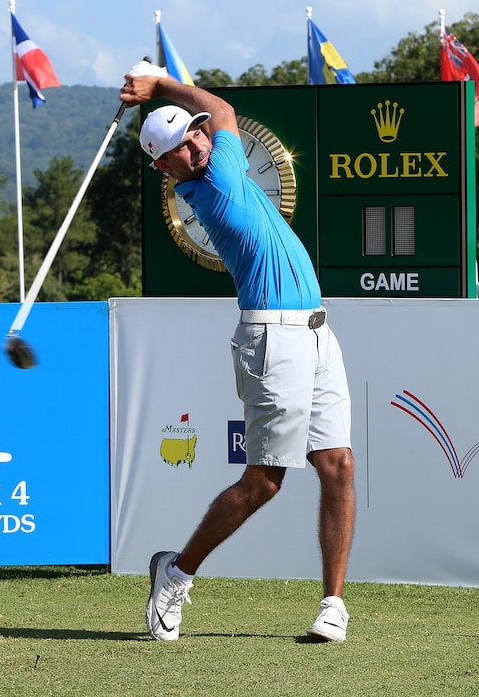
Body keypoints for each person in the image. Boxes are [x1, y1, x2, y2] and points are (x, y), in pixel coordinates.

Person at [119, 61, 356, 642]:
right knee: (264, 482)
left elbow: (215, 117)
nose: (196, 143)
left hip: (316, 332)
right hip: (273, 338)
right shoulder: (215, 185)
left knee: (338, 465)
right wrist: (160, 83)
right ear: (164, 167)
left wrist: (158, 87)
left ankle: (333, 604)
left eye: (195, 132)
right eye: (180, 146)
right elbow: (224, 110)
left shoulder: (216, 164)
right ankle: (175, 574)